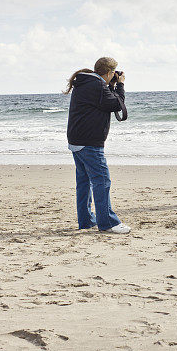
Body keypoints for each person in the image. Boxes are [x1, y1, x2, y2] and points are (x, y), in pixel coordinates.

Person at [65, 57, 131, 234]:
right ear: (109, 73)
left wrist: (111, 85)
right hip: (89, 143)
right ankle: (108, 223)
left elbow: (104, 101)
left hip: (77, 141)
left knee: (84, 182)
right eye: (113, 73)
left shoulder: (85, 82)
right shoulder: (97, 85)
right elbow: (117, 104)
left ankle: (86, 220)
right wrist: (121, 85)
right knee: (102, 180)